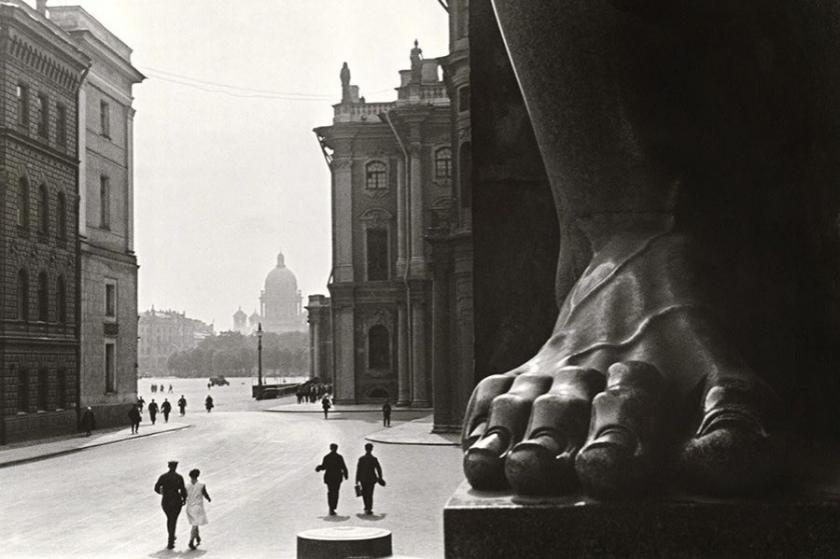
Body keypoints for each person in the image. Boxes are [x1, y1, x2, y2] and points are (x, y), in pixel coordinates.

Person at [154, 460, 187, 550]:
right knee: (173, 519)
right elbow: (183, 490)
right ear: (176, 467)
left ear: (169, 466)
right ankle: (171, 539)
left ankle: (171, 538)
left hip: (166, 500)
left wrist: (163, 493)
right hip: (176, 500)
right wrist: (184, 499)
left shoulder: (163, 477)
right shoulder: (179, 477)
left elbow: (156, 488)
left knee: (169, 519)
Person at [315, 443, 348, 515]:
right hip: (337, 477)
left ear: (330, 448)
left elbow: (324, 467)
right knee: (336, 492)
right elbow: (343, 466)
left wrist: (319, 468)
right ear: (336, 449)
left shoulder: (327, 457)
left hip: (329, 477)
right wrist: (346, 474)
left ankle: (331, 507)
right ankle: (333, 507)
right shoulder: (339, 457)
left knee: (330, 492)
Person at [185, 468, 211, 550]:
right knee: (195, 524)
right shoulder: (201, 485)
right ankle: (191, 541)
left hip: (189, 507)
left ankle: (197, 536)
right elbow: (205, 493)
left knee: (195, 523)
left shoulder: (186, 485)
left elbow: (184, 495)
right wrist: (208, 498)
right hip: (198, 507)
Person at [355, 443, 385, 515]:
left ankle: (366, 506)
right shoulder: (374, 459)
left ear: (365, 449)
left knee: (364, 493)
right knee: (370, 493)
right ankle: (369, 508)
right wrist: (380, 477)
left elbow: (358, 469)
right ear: (371, 449)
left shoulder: (361, 459)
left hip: (363, 479)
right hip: (371, 479)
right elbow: (378, 468)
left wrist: (357, 479)